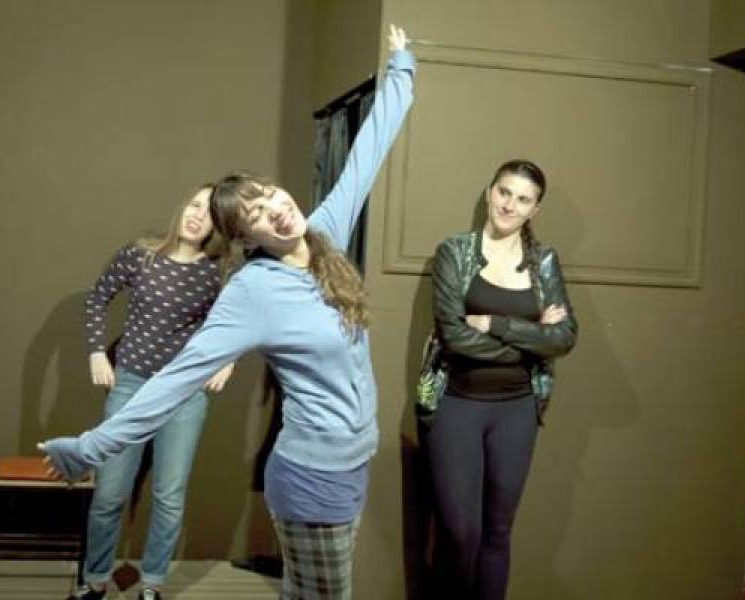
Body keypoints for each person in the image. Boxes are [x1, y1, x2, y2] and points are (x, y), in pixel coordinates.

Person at [41, 25, 414, 599]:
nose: (275, 211)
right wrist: (91, 447)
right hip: (312, 475)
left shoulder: (324, 234)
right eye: (256, 215)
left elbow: (366, 156)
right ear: (246, 238)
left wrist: (403, 68)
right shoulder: (252, 291)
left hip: (351, 464)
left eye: (270, 196)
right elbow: (176, 379)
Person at [70, 184, 234, 600]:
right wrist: (96, 352)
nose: (198, 216)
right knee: (109, 494)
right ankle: (95, 580)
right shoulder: (140, 254)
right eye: (195, 205)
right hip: (130, 386)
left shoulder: (216, 272)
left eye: (210, 214)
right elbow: (97, 297)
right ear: (183, 207)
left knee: (169, 496)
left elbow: (236, 319)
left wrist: (228, 359)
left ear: (217, 227)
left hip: (183, 393)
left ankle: (152, 584)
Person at [424, 159, 578, 599]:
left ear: (535, 210)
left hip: (518, 409)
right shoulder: (455, 252)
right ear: (489, 192)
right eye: (504, 192)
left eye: (523, 199)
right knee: (460, 531)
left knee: (497, 531)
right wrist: (532, 338)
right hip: (457, 403)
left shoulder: (543, 262)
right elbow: (454, 338)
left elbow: (565, 337)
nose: (510, 205)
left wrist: (496, 324)